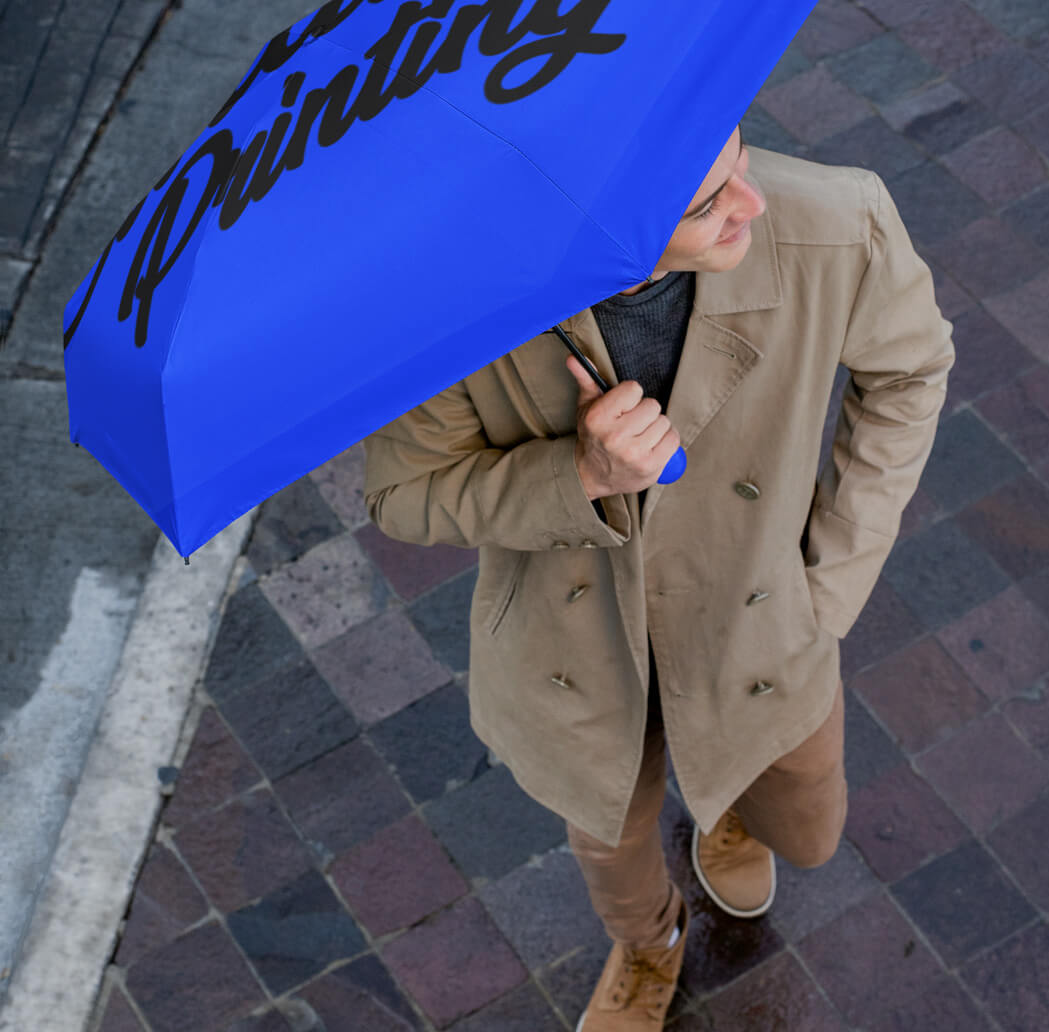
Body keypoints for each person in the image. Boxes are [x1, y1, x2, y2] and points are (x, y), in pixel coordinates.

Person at [362, 123, 955, 1029]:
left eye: (740, 158)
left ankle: (733, 812)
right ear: (603, 227)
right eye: (706, 202)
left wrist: (826, 587)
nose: (750, 204)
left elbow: (912, 371)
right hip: (578, 646)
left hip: (758, 619)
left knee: (802, 818)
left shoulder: (835, 219)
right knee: (615, 841)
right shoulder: (461, 296)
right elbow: (406, 494)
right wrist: (581, 478)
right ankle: (651, 943)